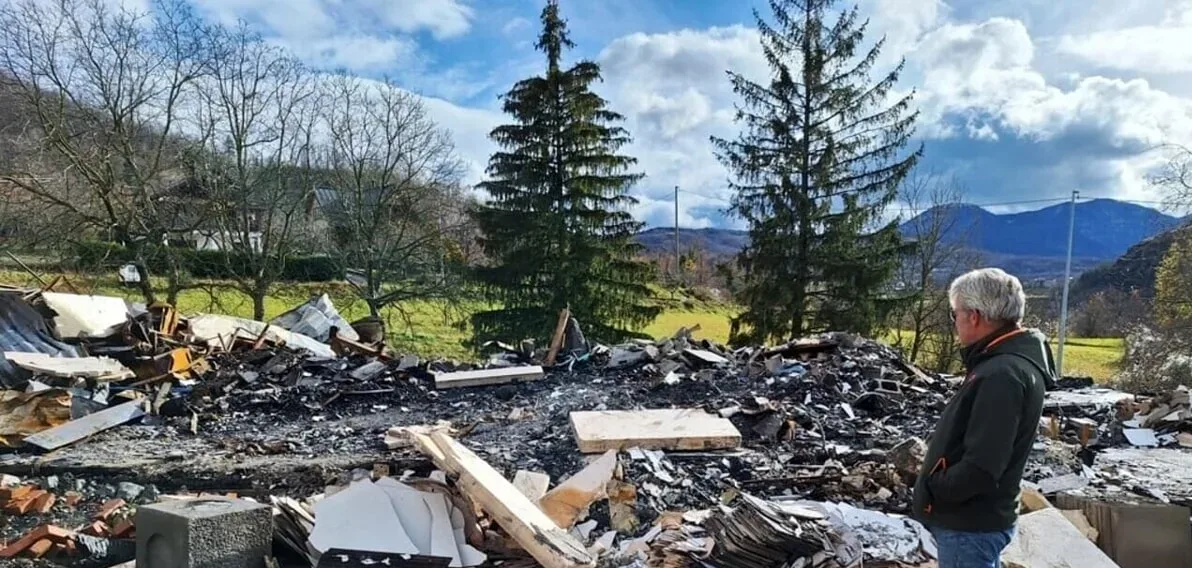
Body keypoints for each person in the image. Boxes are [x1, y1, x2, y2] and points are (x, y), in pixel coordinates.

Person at [913, 268, 1054, 568]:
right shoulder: (1007, 364)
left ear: (974, 316)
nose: (955, 323)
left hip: (969, 524)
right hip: (976, 519)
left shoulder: (1001, 375)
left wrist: (937, 487)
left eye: (955, 314)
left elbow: (983, 466)